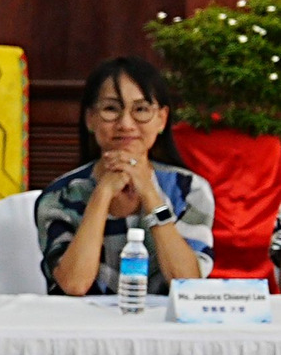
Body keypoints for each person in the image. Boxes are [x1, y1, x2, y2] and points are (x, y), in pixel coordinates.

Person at [36, 57, 212, 296]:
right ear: (90, 118)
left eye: (140, 110)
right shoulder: (61, 195)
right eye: (111, 109)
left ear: (161, 119)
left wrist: (151, 195)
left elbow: (188, 283)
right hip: (82, 328)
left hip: (164, 328)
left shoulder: (190, 189)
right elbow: (74, 284)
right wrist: (102, 194)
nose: (126, 124)